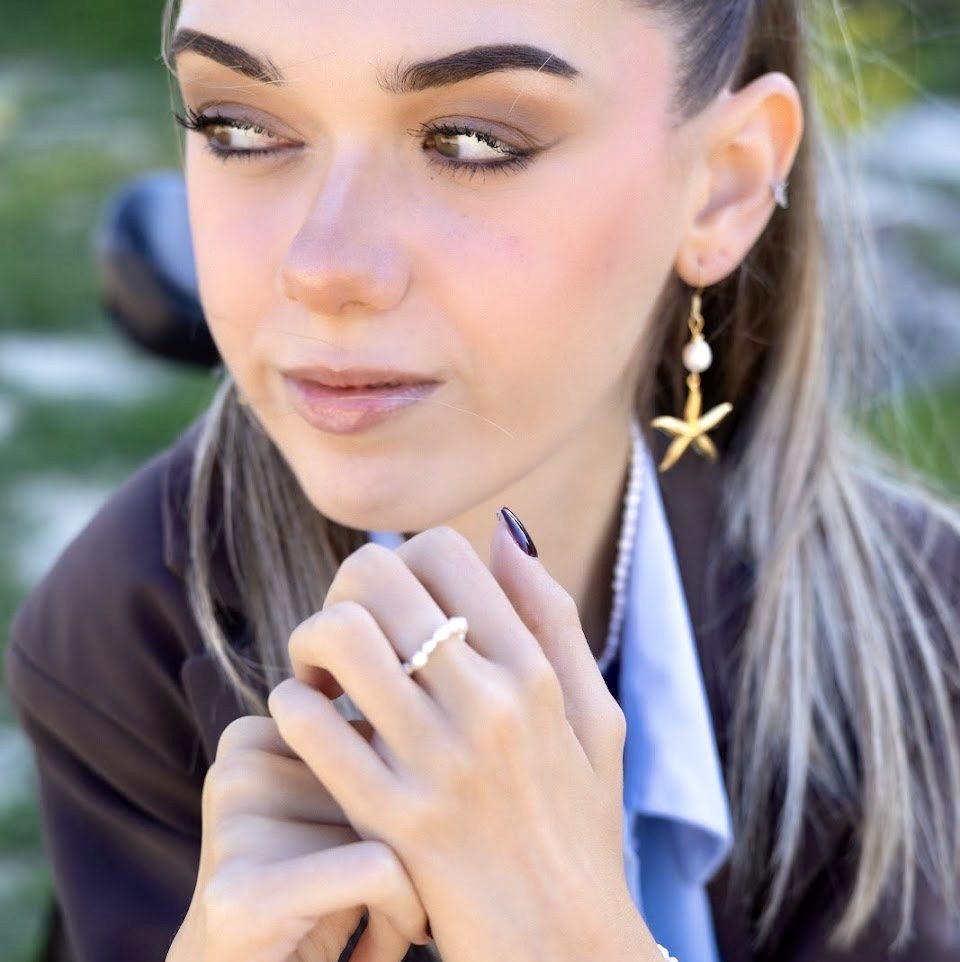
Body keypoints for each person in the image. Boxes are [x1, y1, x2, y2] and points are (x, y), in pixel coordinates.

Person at [5, 0, 960, 960]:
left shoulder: (917, 636)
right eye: (239, 128)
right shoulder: (128, 632)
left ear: (724, 184)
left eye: (469, 140)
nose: (324, 265)